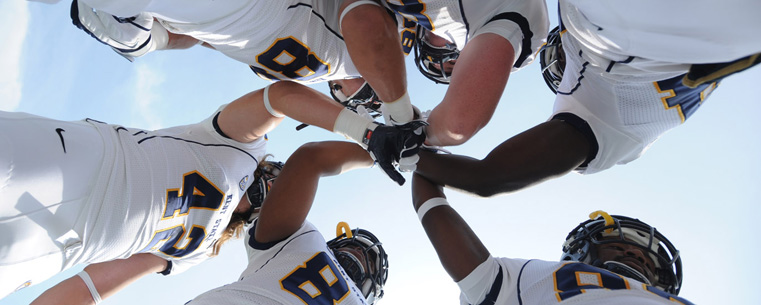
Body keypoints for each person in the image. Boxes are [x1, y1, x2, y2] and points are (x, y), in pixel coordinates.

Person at [0, 81, 410, 301]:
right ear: (271, 169)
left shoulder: (199, 251)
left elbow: (96, 284)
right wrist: (366, 136)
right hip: (76, 162)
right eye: (274, 181)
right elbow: (280, 97)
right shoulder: (242, 146)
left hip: (60, 246)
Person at [414, 2, 761, 196]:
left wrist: (398, 147)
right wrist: (401, 148)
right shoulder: (597, 99)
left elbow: (486, 177)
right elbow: (487, 176)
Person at [68, 0, 425, 183]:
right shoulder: (364, 51)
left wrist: (153, 40)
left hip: (205, 17)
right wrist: (399, 115)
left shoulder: (314, 70)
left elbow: (212, 41)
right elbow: (367, 27)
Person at [411, 173, 693, 304]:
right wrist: (421, 154)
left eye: (648, 259)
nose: (637, 256)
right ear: (581, 251)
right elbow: (473, 269)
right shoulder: (542, 280)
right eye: (620, 245)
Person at [186, 140, 388, 305]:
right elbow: (308, 160)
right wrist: (384, 151)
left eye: (369, 259)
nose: (359, 253)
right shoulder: (302, 241)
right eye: (355, 247)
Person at [378, 0, 550, 147]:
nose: (454, 54)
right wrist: (417, 134)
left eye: (442, 57)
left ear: (422, 38)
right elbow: (457, 125)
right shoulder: (512, 27)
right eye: (454, 61)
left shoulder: (394, 19)